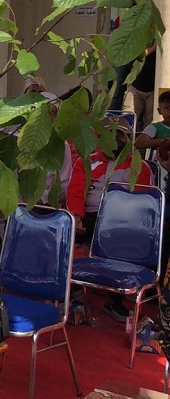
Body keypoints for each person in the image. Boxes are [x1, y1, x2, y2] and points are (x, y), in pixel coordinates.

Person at [66, 121, 152, 323]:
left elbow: (144, 202)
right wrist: (77, 216)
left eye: (120, 135)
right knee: (68, 233)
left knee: (127, 237)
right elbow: (75, 192)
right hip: (91, 214)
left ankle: (114, 300)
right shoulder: (87, 162)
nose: (115, 140)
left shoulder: (139, 166)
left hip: (124, 219)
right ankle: (74, 295)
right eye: (110, 135)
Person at [124, 42, 156, 131]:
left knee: (151, 123)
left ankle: (147, 144)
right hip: (135, 87)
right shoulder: (138, 38)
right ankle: (127, 143)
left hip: (154, 89)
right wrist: (152, 48)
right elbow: (133, 56)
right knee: (127, 121)